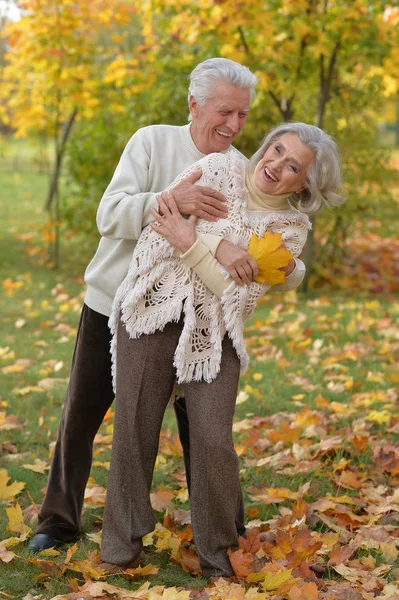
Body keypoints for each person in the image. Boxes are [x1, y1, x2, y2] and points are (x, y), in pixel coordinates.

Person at [28, 58, 260, 552]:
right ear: (194, 104)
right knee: (83, 414)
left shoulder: (240, 170)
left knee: (204, 424)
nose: (234, 125)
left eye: (243, 115)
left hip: (192, 319)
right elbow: (109, 214)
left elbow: (255, 241)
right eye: (225, 111)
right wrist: (167, 200)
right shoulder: (151, 141)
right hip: (113, 304)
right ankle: (58, 519)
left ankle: (225, 529)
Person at [100, 122, 345, 578]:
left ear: (305, 184)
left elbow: (231, 295)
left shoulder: (289, 232)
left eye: (292, 165)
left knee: (214, 440)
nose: (274, 165)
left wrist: (193, 243)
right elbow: (159, 230)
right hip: (155, 305)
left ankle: (218, 555)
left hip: (216, 332)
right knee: (134, 427)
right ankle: (119, 547)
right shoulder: (216, 168)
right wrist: (220, 248)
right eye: (275, 150)